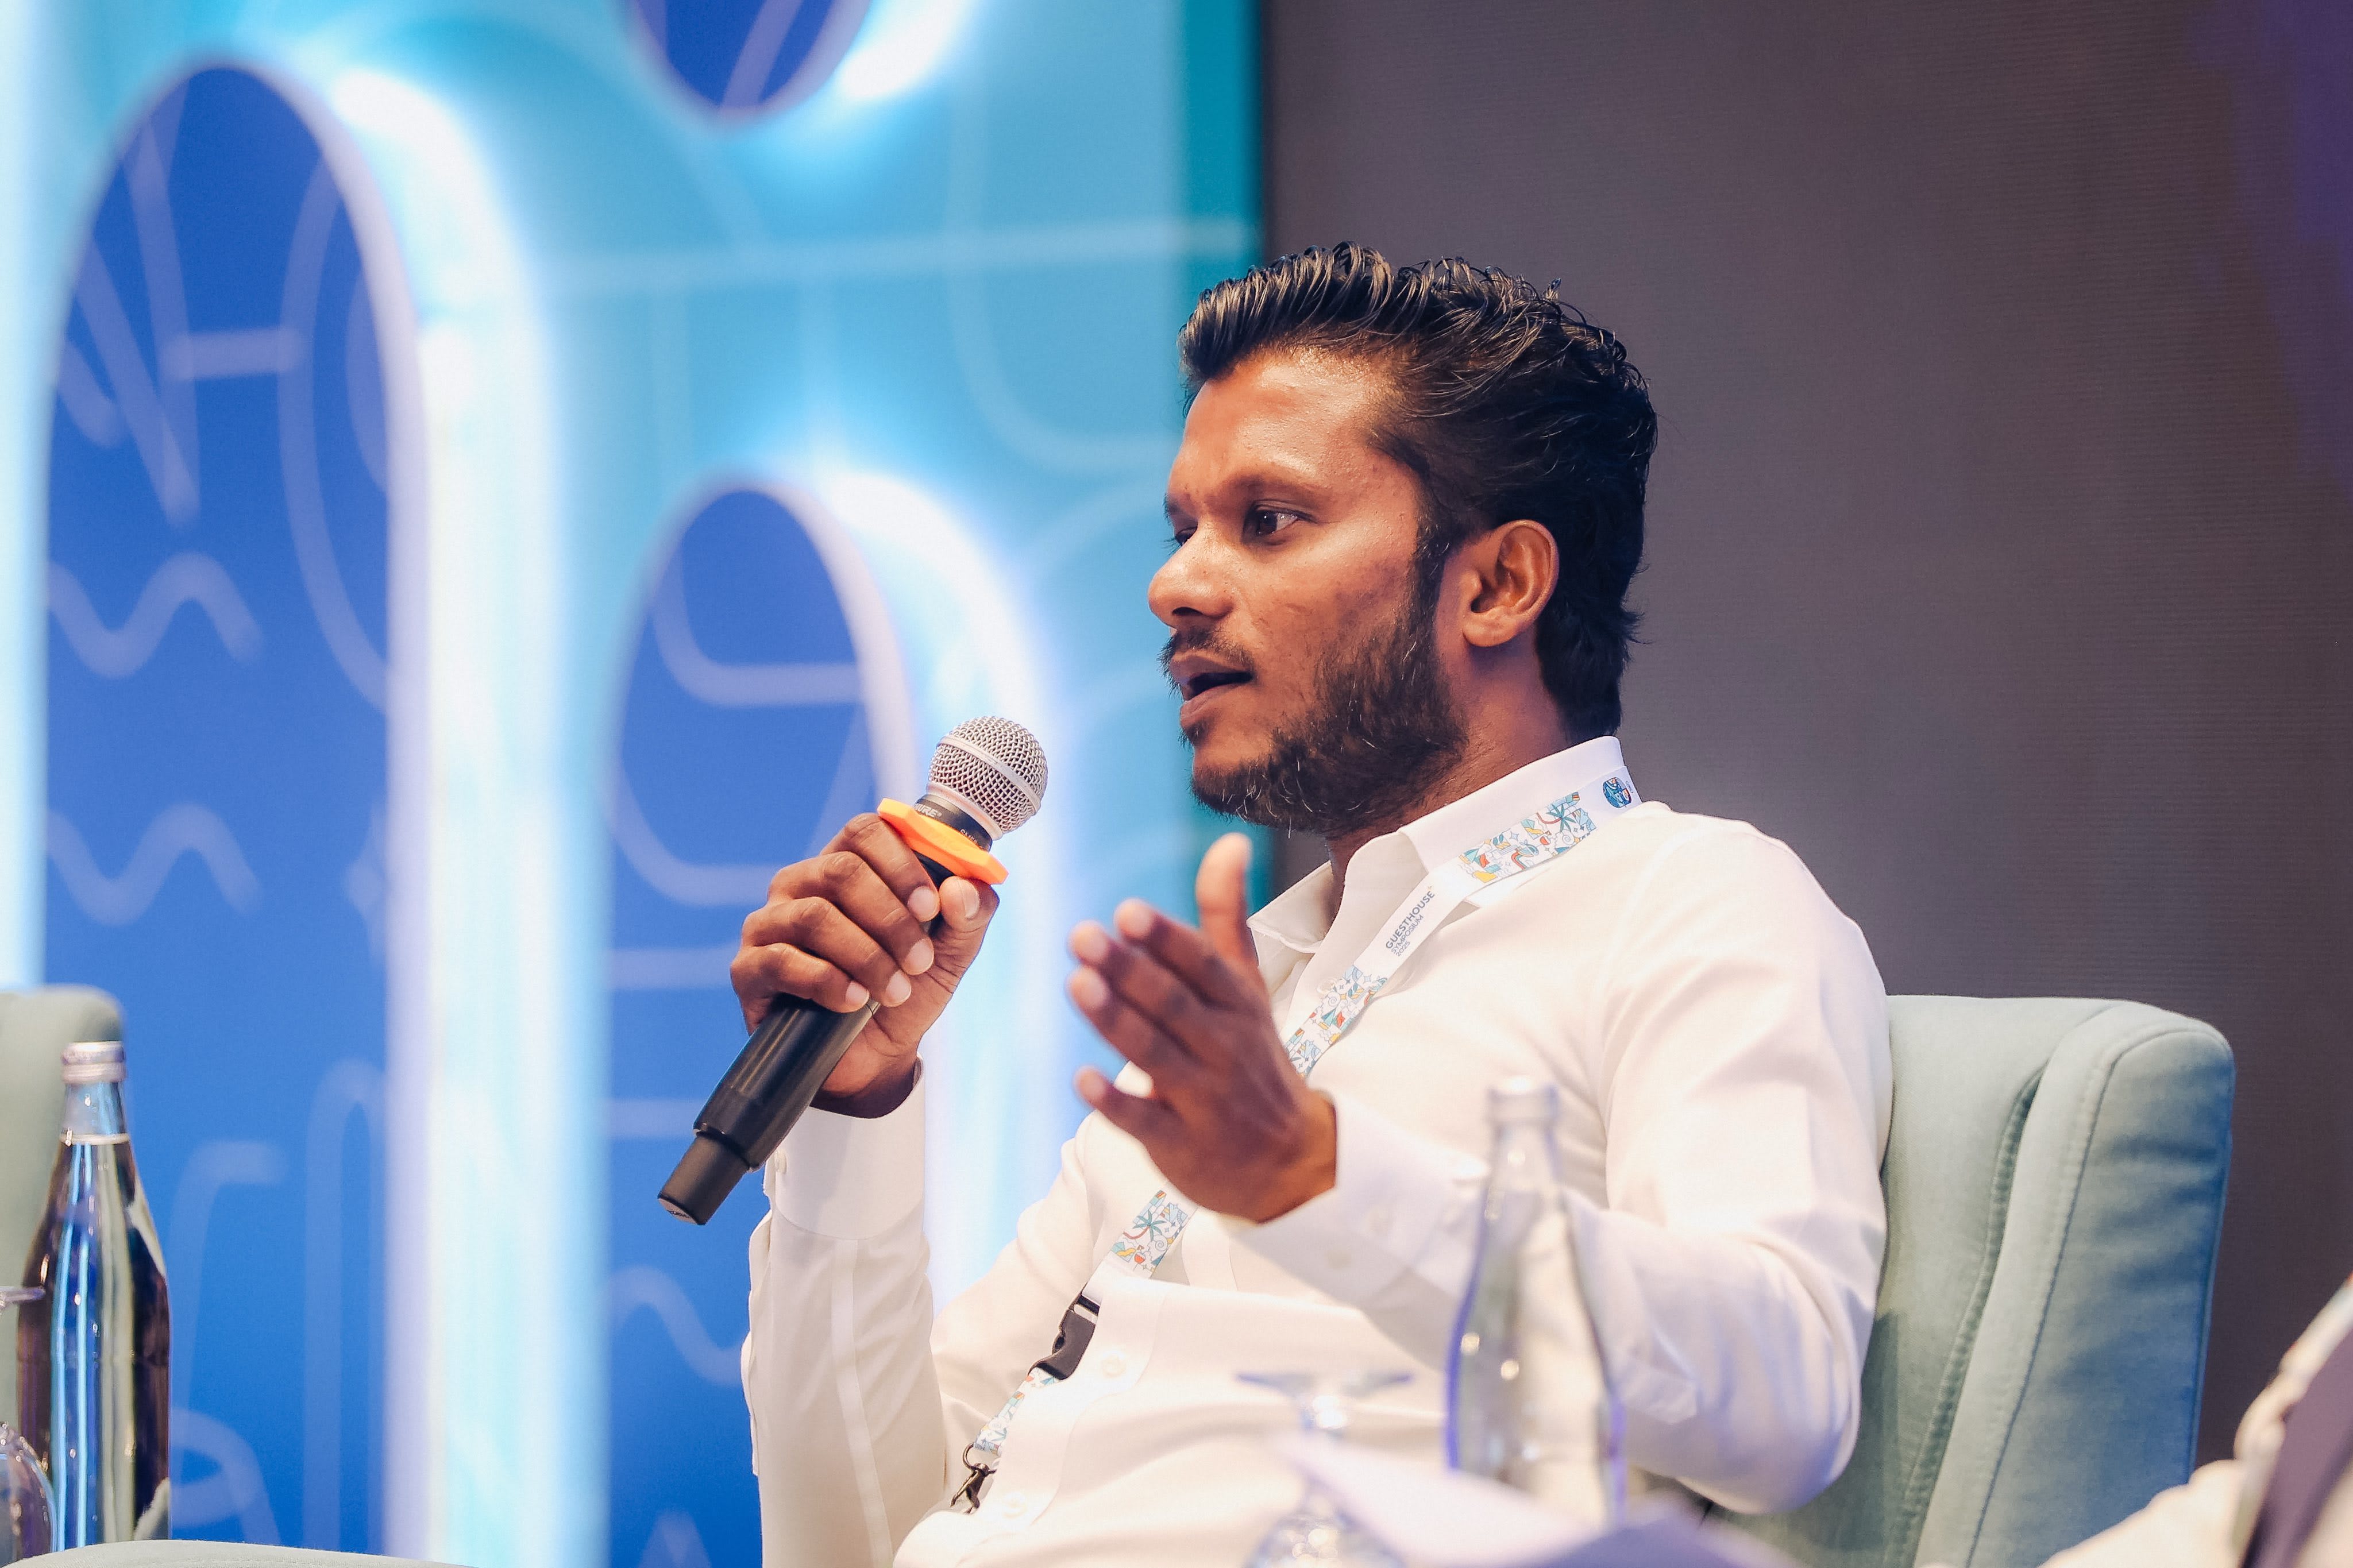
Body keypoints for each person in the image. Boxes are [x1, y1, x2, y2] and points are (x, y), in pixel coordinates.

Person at [734, 244, 1892, 1566]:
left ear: (1496, 586)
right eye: (1181, 530)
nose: (1175, 585)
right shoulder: (1248, 997)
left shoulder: (1689, 902)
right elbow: (850, 1539)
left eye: (1268, 521)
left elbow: (1783, 1393)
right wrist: (853, 1104)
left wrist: (1315, 1174)